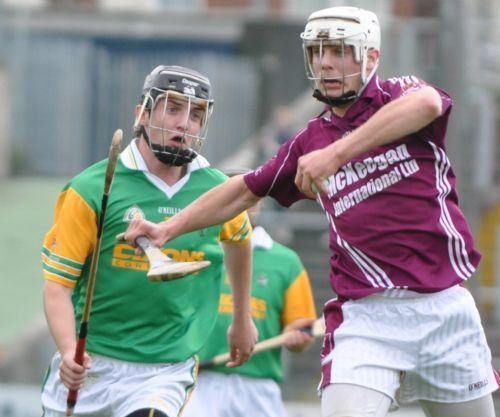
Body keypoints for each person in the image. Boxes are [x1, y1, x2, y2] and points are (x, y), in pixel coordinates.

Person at [124, 7, 500, 417]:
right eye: (318, 52)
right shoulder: (309, 140)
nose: (325, 63)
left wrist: (336, 154)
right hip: (367, 316)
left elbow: (427, 104)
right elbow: (244, 190)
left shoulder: (399, 95)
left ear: (371, 57)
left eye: (339, 50)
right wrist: (169, 228)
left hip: (443, 306)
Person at [40, 65, 257, 417]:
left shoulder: (217, 190)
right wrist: (68, 351)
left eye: (196, 115)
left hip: (164, 370)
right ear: (142, 113)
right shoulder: (89, 189)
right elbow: (57, 287)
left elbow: (240, 242)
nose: (184, 124)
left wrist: (241, 318)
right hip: (92, 364)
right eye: (173, 109)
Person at [183, 168, 317, 417]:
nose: (236, 204)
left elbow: (303, 329)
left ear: (259, 202)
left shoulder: (287, 262)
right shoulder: (192, 250)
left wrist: (298, 337)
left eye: (245, 195)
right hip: (197, 382)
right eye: (227, 195)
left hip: (258, 388)